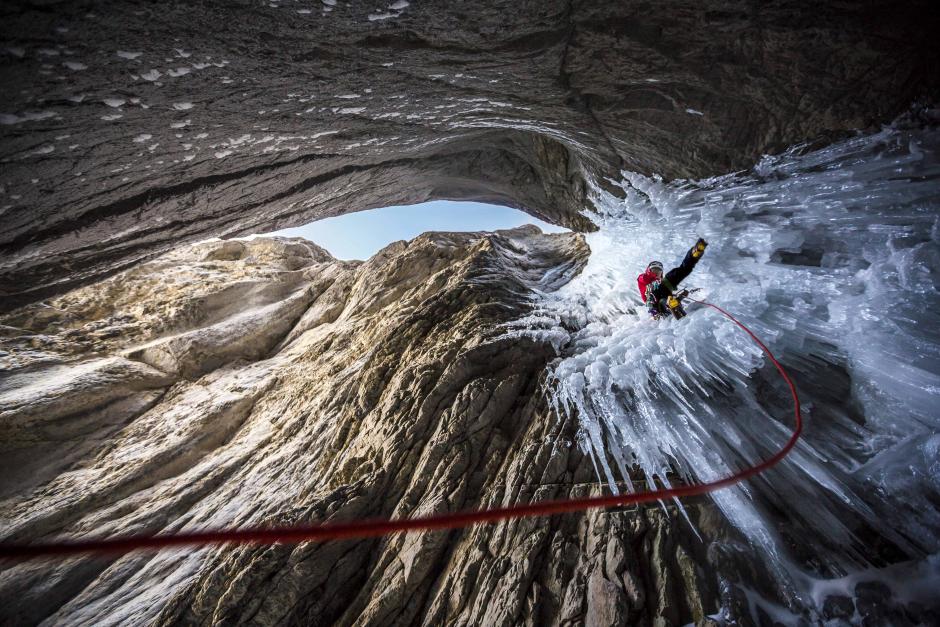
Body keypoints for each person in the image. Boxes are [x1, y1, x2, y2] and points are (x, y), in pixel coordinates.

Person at [637, 238, 707, 318]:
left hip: (665, 289)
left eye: (659, 271)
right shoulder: (643, 278)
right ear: (648, 271)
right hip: (656, 302)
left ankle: (694, 253)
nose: (656, 273)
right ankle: (670, 303)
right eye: (654, 270)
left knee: (683, 270)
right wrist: (654, 277)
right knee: (658, 295)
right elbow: (643, 278)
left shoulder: (661, 280)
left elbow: (665, 290)